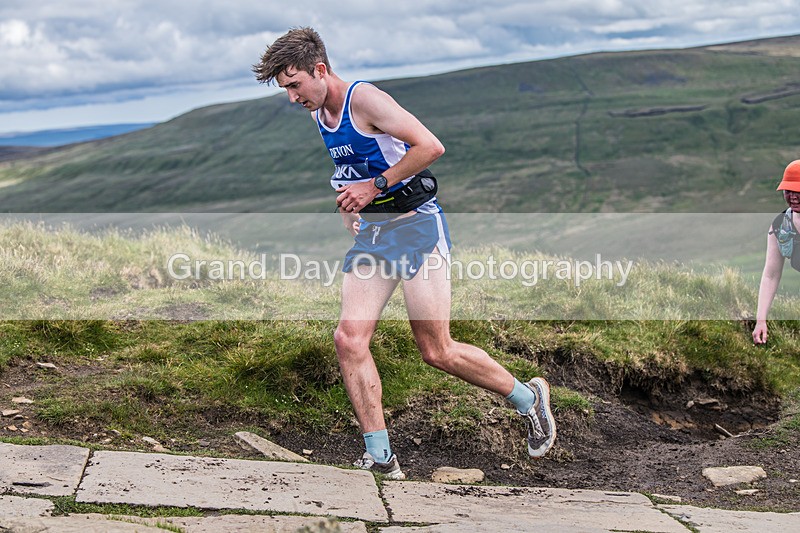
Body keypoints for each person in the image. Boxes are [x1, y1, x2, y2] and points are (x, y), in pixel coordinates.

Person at [253, 27, 555, 479]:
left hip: (416, 227)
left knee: (436, 350)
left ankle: (529, 400)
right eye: (286, 89)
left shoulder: (365, 100)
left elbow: (430, 146)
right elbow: (347, 168)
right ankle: (380, 456)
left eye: (295, 84)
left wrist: (373, 186)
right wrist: (348, 206)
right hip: (374, 234)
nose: (293, 96)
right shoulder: (319, 112)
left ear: (320, 70)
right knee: (348, 340)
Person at [753, 159, 800, 345]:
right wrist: (761, 320)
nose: (793, 196)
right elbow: (771, 275)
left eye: (798, 191)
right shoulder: (780, 227)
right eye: (788, 191)